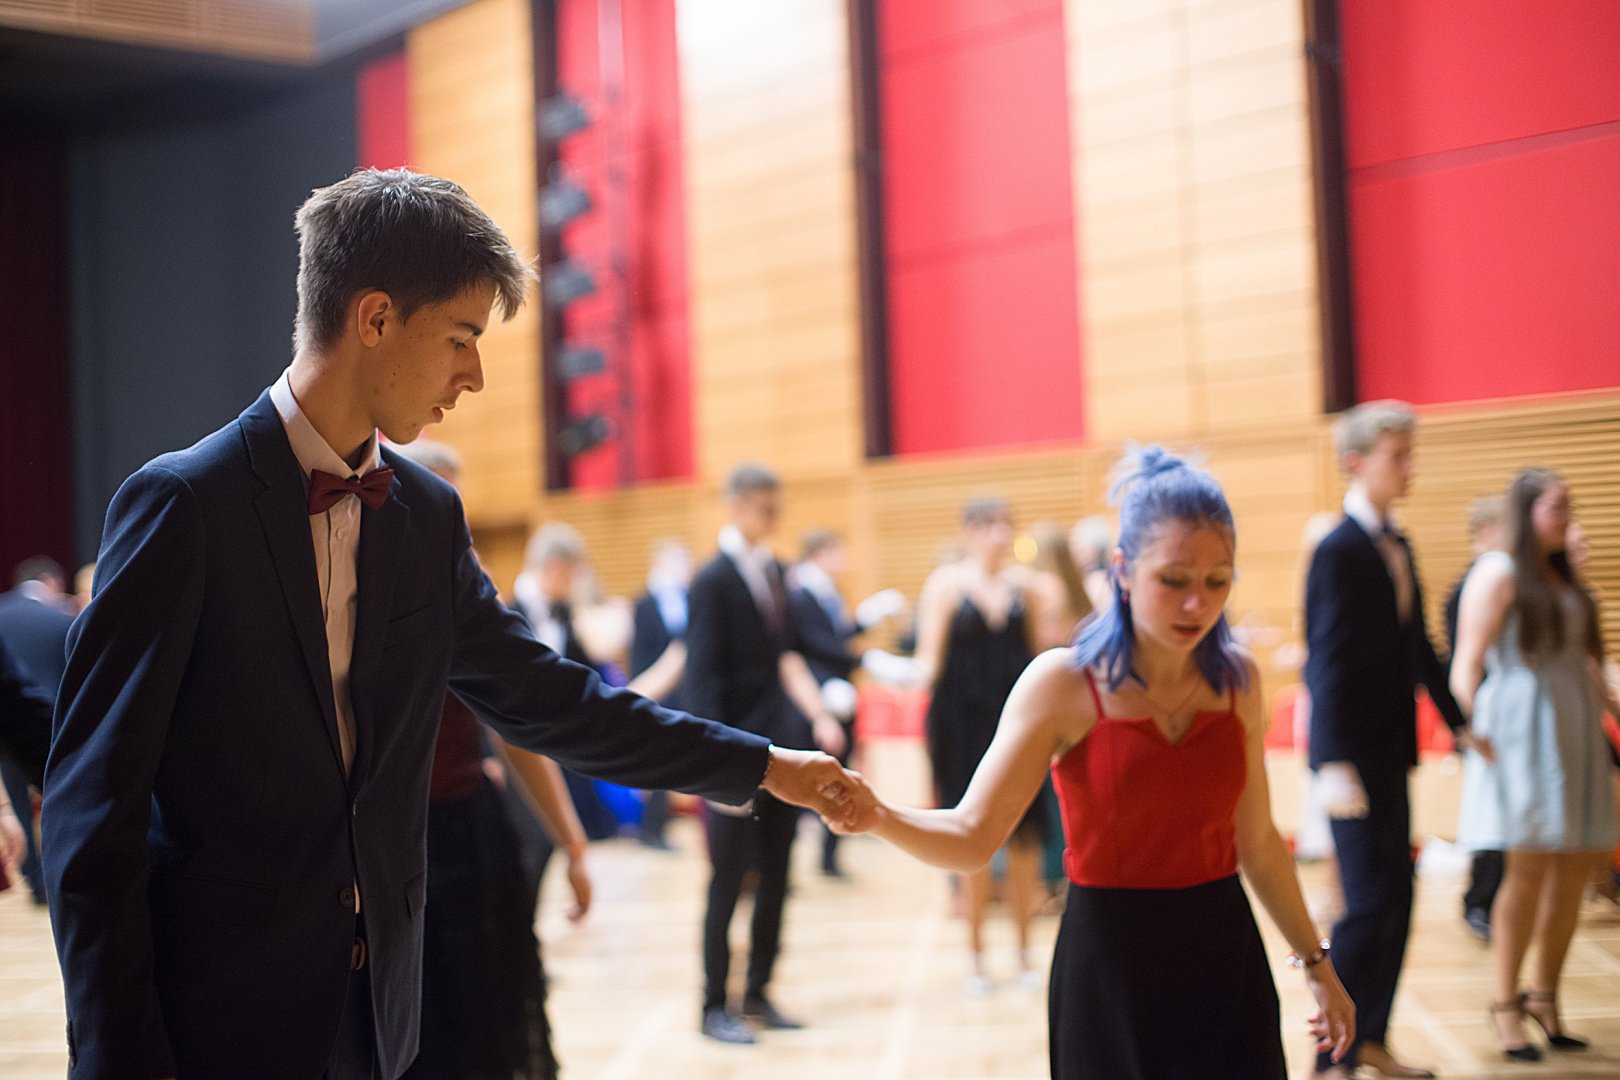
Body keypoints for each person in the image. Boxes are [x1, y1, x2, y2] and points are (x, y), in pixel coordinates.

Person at [41, 168, 857, 1080]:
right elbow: (91, 809)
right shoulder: (184, 505)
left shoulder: (426, 517)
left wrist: (763, 766)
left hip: (382, 1015)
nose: (474, 376)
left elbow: (555, 701)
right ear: (375, 318)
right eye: (461, 338)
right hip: (217, 1020)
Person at [838, 447, 1355, 1078]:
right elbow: (973, 835)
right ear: (1123, 571)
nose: (1197, 604)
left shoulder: (1238, 682)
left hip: (1223, 955)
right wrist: (877, 815)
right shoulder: (1062, 682)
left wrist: (1318, 966)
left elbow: (1261, 844)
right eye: (1174, 580)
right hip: (1109, 965)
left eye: (1217, 581)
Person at [390, 439, 590, 1080]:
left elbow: (517, 729)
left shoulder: (467, 597)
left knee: (492, 1019)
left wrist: (572, 843)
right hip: (389, 844)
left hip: (471, 834)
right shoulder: (355, 590)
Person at [1305, 400, 1471, 1079]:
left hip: (1390, 750)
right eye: (1396, 457)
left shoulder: (1397, 543)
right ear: (1356, 462)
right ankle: (1330, 1055)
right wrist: (1329, 760)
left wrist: (1459, 722)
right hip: (1350, 757)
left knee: (1398, 898)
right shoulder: (1337, 548)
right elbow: (1326, 659)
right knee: (1367, 904)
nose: (1409, 468)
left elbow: (1418, 646)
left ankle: (1370, 1037)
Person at [1452, 468, 1618, 1062]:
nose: (1566, 517)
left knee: (1575, 867)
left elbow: (1590, 663)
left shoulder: (1567, 575)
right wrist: (1471, 728)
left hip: (1573, 725)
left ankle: (1544, 997)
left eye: (1569, 506)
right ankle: (1505, 1005)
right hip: (1522, 729)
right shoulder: (1498, 571)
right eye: (1556, 507)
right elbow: (1467, 660)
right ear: (1526, 512)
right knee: (1525, 871)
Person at [685, 463, 849, 1045]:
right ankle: (714, 1004)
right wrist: (712, 766)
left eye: (778, 506)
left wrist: (820, 715)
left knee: (778, 873)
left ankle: (758, 990)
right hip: (731, 753)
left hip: (779, 748)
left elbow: (788, 656)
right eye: (763, 506)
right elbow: (702, 679)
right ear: (734, 504)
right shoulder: (711, 580)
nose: (773, 516)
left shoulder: (778, 572)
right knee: (729, 880)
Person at [913, 496, 1053, 993]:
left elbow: (1039, 658)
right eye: (989, 525)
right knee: (968, 837)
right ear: (969, 532)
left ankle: (1024, 953)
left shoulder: (1026, 588)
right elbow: (930, 663)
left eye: (1005, 525)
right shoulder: (946, 585)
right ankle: (975, 957)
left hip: (1017, 725)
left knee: (1025, 838)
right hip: (961, 728)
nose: (1000, 535)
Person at [786, 527, 905, 877]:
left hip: (838, 694)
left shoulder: (827, 591)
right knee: (809, 778)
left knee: (839, 773)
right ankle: (794, 861)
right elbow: (814, 645)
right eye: (838, 551)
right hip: (815, 701)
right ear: (820, 553)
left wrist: (866, 621)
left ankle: (830, 855)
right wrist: (864, 659)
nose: (844, 559)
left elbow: (836, 637)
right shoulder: (800, 594)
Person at [1444, 495, 1507, 942]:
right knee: (1488, 814)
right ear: (1485, 531)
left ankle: (1496, 901)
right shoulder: (1471, 585)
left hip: (1500, 716)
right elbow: (1464, 661)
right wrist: (1469, 724)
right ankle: (1479, 901)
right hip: (1482, 716)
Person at [0, 557, 74, 904]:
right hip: (49, 727)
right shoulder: (62, 617)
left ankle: (33, 878)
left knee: (15, 801)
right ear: (51, 582)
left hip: (8, 733)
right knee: (57, 805)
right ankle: (59, 874)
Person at [629, 539, 693, 850]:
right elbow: (639, 653)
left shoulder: (687, 599)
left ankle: (661, 826)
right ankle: (649, 828)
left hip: (681, 694)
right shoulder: (645, 604)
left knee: (673, 763)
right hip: (654, 690)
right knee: (653, 763)